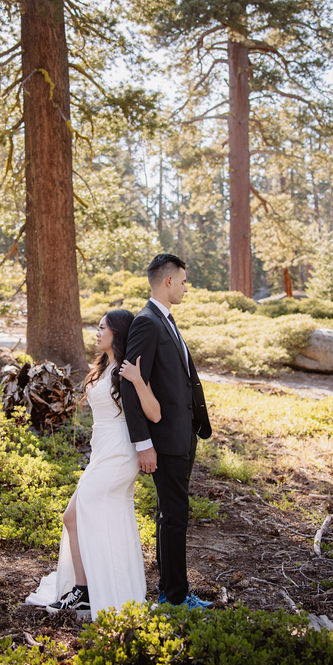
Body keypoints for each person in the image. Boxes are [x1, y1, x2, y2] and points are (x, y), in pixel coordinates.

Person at [25, 309, 161, 618]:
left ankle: (85, 591)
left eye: (102, 328)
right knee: (77, 518)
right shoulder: (103, 367)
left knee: (75, 515)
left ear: (118, 332)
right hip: (101, 454)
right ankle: (87, 588)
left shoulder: (127, 369)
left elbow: (154, 413)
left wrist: (139, 381)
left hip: (120, 455)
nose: (97, 333)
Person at [120, 253, 213, 609]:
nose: (187, 288)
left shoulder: (166, 321)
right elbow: (132, 384)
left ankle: (174, 590)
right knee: (173, 516)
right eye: (185, 281)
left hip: (183, 435)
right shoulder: (147, 323)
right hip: (163, 439)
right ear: (169, 281)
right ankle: (174, 596)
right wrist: (144, 444)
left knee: (175, 514)